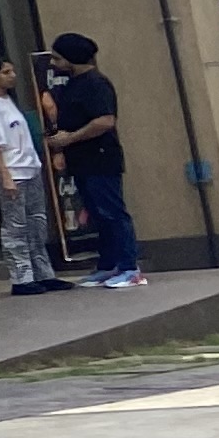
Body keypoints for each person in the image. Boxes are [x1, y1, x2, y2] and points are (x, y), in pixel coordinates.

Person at [44, 30, 141, 288]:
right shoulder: (72, 84)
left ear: (72, 58)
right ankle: (108, 265)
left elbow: (105, 121)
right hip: (82, 161)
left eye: (57, 58)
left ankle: (130, 267)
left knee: (112, 212)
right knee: (97, 214)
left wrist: (70, 138)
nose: (54, 63)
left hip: (100, 158)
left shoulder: (96, 84)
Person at [0, 59, 64, 294]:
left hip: (30, 168)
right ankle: (21, 278)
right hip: (13, 171)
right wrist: (5, 175)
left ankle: (43, 273)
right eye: (5, 72)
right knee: (16, 226)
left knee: (37, 223)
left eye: (12, 71)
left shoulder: (9, 101)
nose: (12, 75)